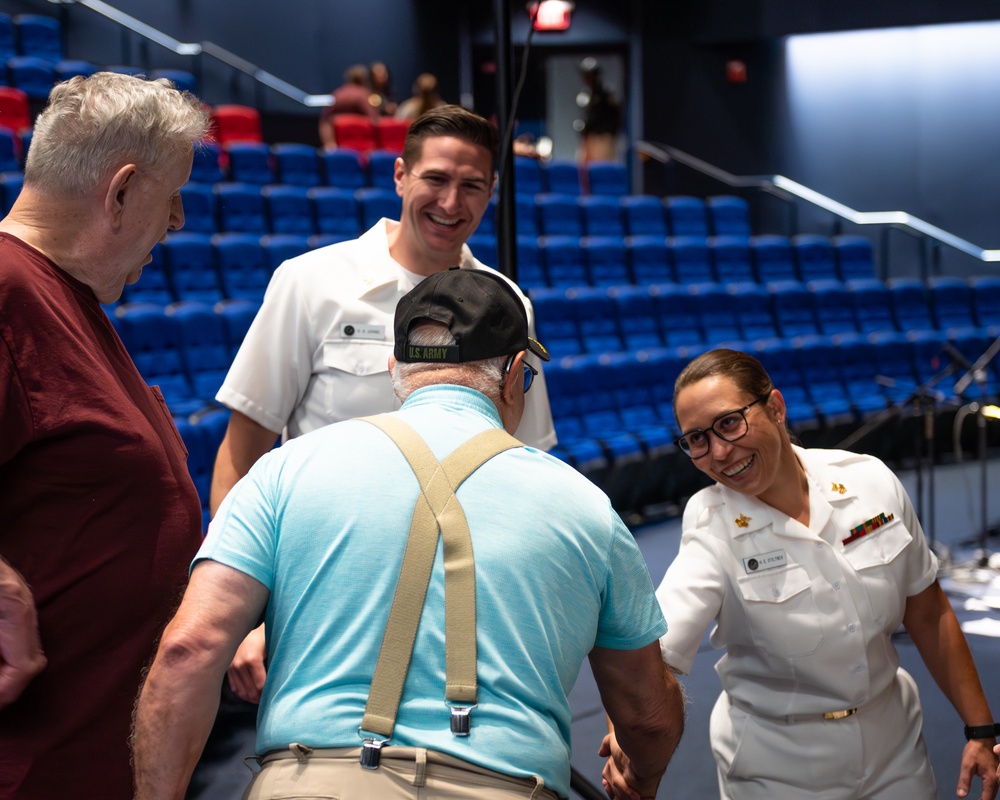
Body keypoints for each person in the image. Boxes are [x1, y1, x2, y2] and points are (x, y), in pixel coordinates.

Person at [133, 267, 685, 800]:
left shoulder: (285, 468)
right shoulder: (585, 505)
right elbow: (648, 717)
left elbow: (189, 649)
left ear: (395, 366)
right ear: (517, 372)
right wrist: (642, 776)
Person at [602, 348, 1000, 800]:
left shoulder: (869, 481)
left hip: (895, 748)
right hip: (778, 771)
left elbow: (928, 612)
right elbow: (653, 653)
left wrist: (981, 728)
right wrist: (624, 736)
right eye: (696, 439)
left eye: (729, 423)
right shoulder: (712, 525)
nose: (718, 451)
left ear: (775, 407)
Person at [0, 72, 209, 798]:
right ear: (120, 192)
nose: (176, 222)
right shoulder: (7, 289)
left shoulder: (66, 296)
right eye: (170, 196)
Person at [319, 64, 380, 149]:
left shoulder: (338, 93)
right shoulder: (363, 94)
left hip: (338, 148)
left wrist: (329, 144)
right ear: (364, 79)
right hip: (361, 150)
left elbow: (325, 121)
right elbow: (374, 121)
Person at [574, 57, 622, 164]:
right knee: (584, 168)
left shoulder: (605, 94)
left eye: (589, 74)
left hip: (602, 137)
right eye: (584, 75)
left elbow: (616, 116)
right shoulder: (587, 94)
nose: (586, 78)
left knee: (601, 169)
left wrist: (609, 134)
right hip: (589, 137)